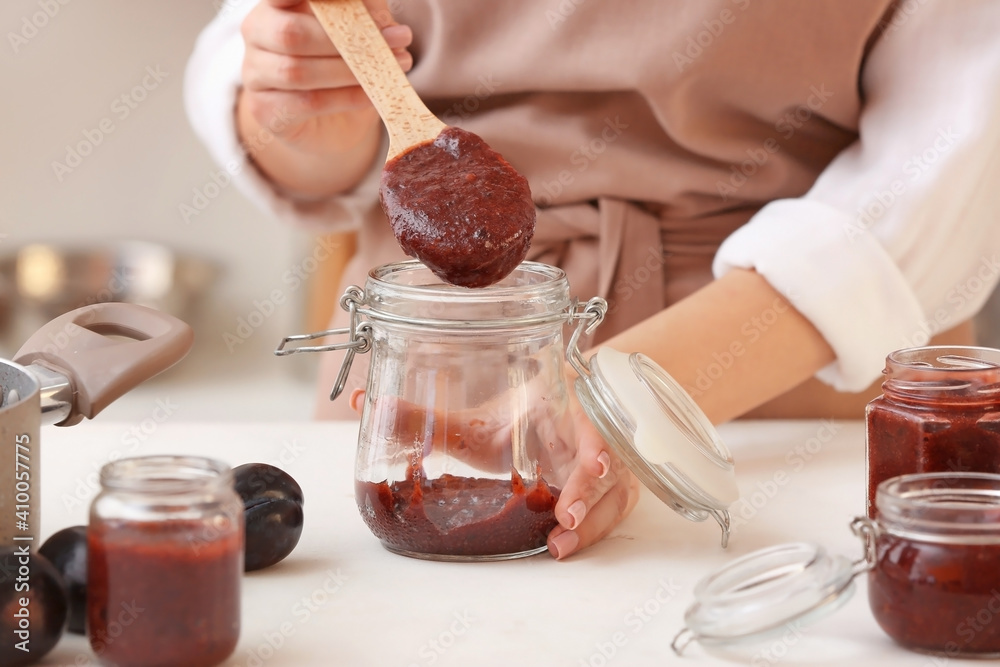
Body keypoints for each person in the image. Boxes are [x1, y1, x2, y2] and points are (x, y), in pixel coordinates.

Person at [184, 0, 1000, 560]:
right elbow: (281, 93)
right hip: (437, 368)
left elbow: (956, 159)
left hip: (784, 389)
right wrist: (306, 110)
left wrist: (635, 398)